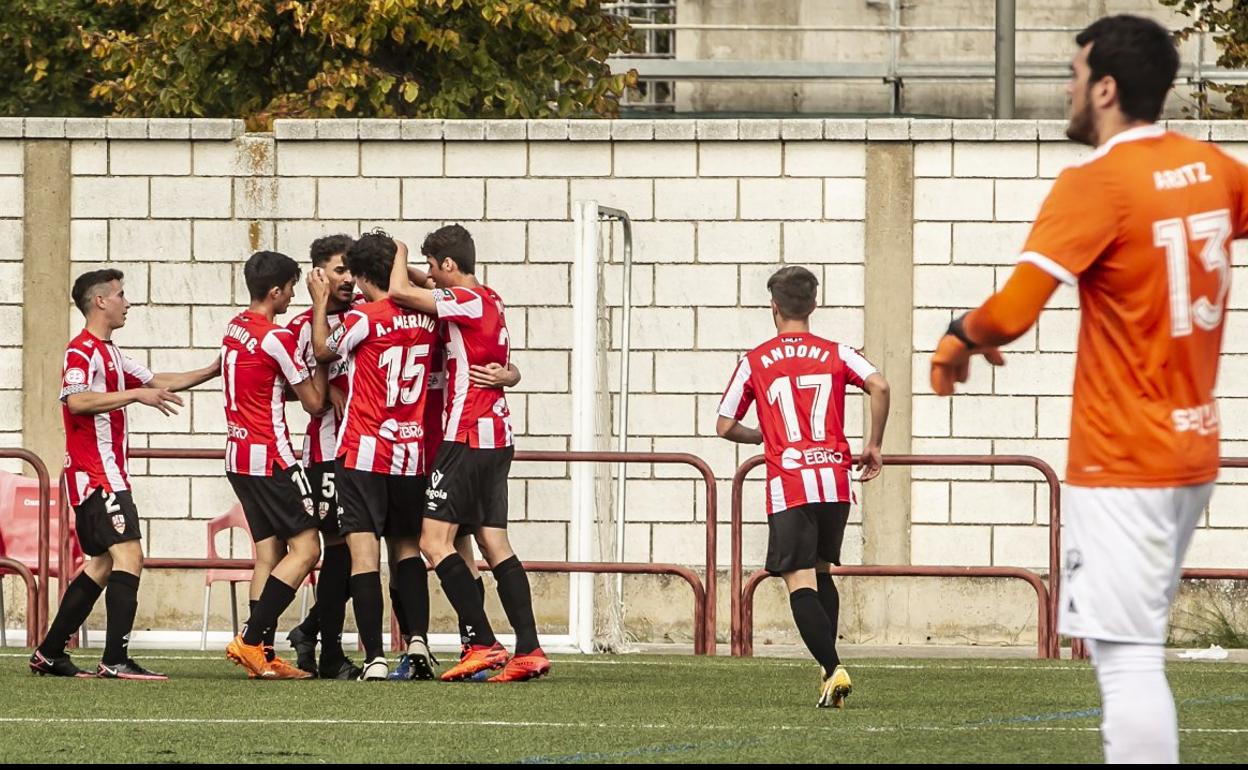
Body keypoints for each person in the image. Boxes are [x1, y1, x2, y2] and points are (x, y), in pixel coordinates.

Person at [929, 15, 1248, 762]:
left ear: (1106, 87)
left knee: (1127, 656)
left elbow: (1009, 315)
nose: (1067, 90)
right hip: (1192, 450)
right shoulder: (1214, 169)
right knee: (1136, 644)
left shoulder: (1094, 184)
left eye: (1073, 77)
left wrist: (959, 334)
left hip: (1123, 462)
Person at [717, 265, 889, 708]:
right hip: (834, 482)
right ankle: (826, 674)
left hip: (790, 482)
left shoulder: (754, 360)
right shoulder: (837, 352)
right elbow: (879, 384)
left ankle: (833, 670)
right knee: (821, 570)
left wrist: (762, 435)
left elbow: (724, 425)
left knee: (797, 579)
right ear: (814, 304)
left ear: (773, 306)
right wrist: (873, 445)